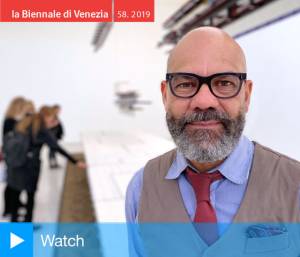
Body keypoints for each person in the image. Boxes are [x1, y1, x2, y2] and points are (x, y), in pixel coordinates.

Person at [125, 27, 300, 256]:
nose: (204, 101)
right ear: (165, 96)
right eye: (185, 83)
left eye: (224, 83)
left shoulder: (294, 187)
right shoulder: (141, 190)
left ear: (246, 96)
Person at [7, 106, 86, 222]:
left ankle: (14, 228)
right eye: (52, 118)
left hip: (15, 165)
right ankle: (28, 224)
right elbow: (56, 146)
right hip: (30, 167)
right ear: (46, 116)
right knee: (30, 197)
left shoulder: (27, 121)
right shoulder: (41, 129)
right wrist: (76, 161)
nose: (53, 121)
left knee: (15, 194)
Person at [1, 96, 27, 218]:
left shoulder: (12, 120)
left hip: (14, 156)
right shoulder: (10, 121)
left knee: (14, 182)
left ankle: (14, 205)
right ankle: (8, 209)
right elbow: (9, 140)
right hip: (12, 156)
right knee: (11, 183)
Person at [48, 105, 64, 169]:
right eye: (58, 110)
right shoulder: (51, 116)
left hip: (55, 136)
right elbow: (50, 126)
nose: (59, 111)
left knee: (54, 150)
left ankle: (54, 163)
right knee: (52, 150)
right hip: (52, 136)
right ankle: (52, 164)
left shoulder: (56, 116)